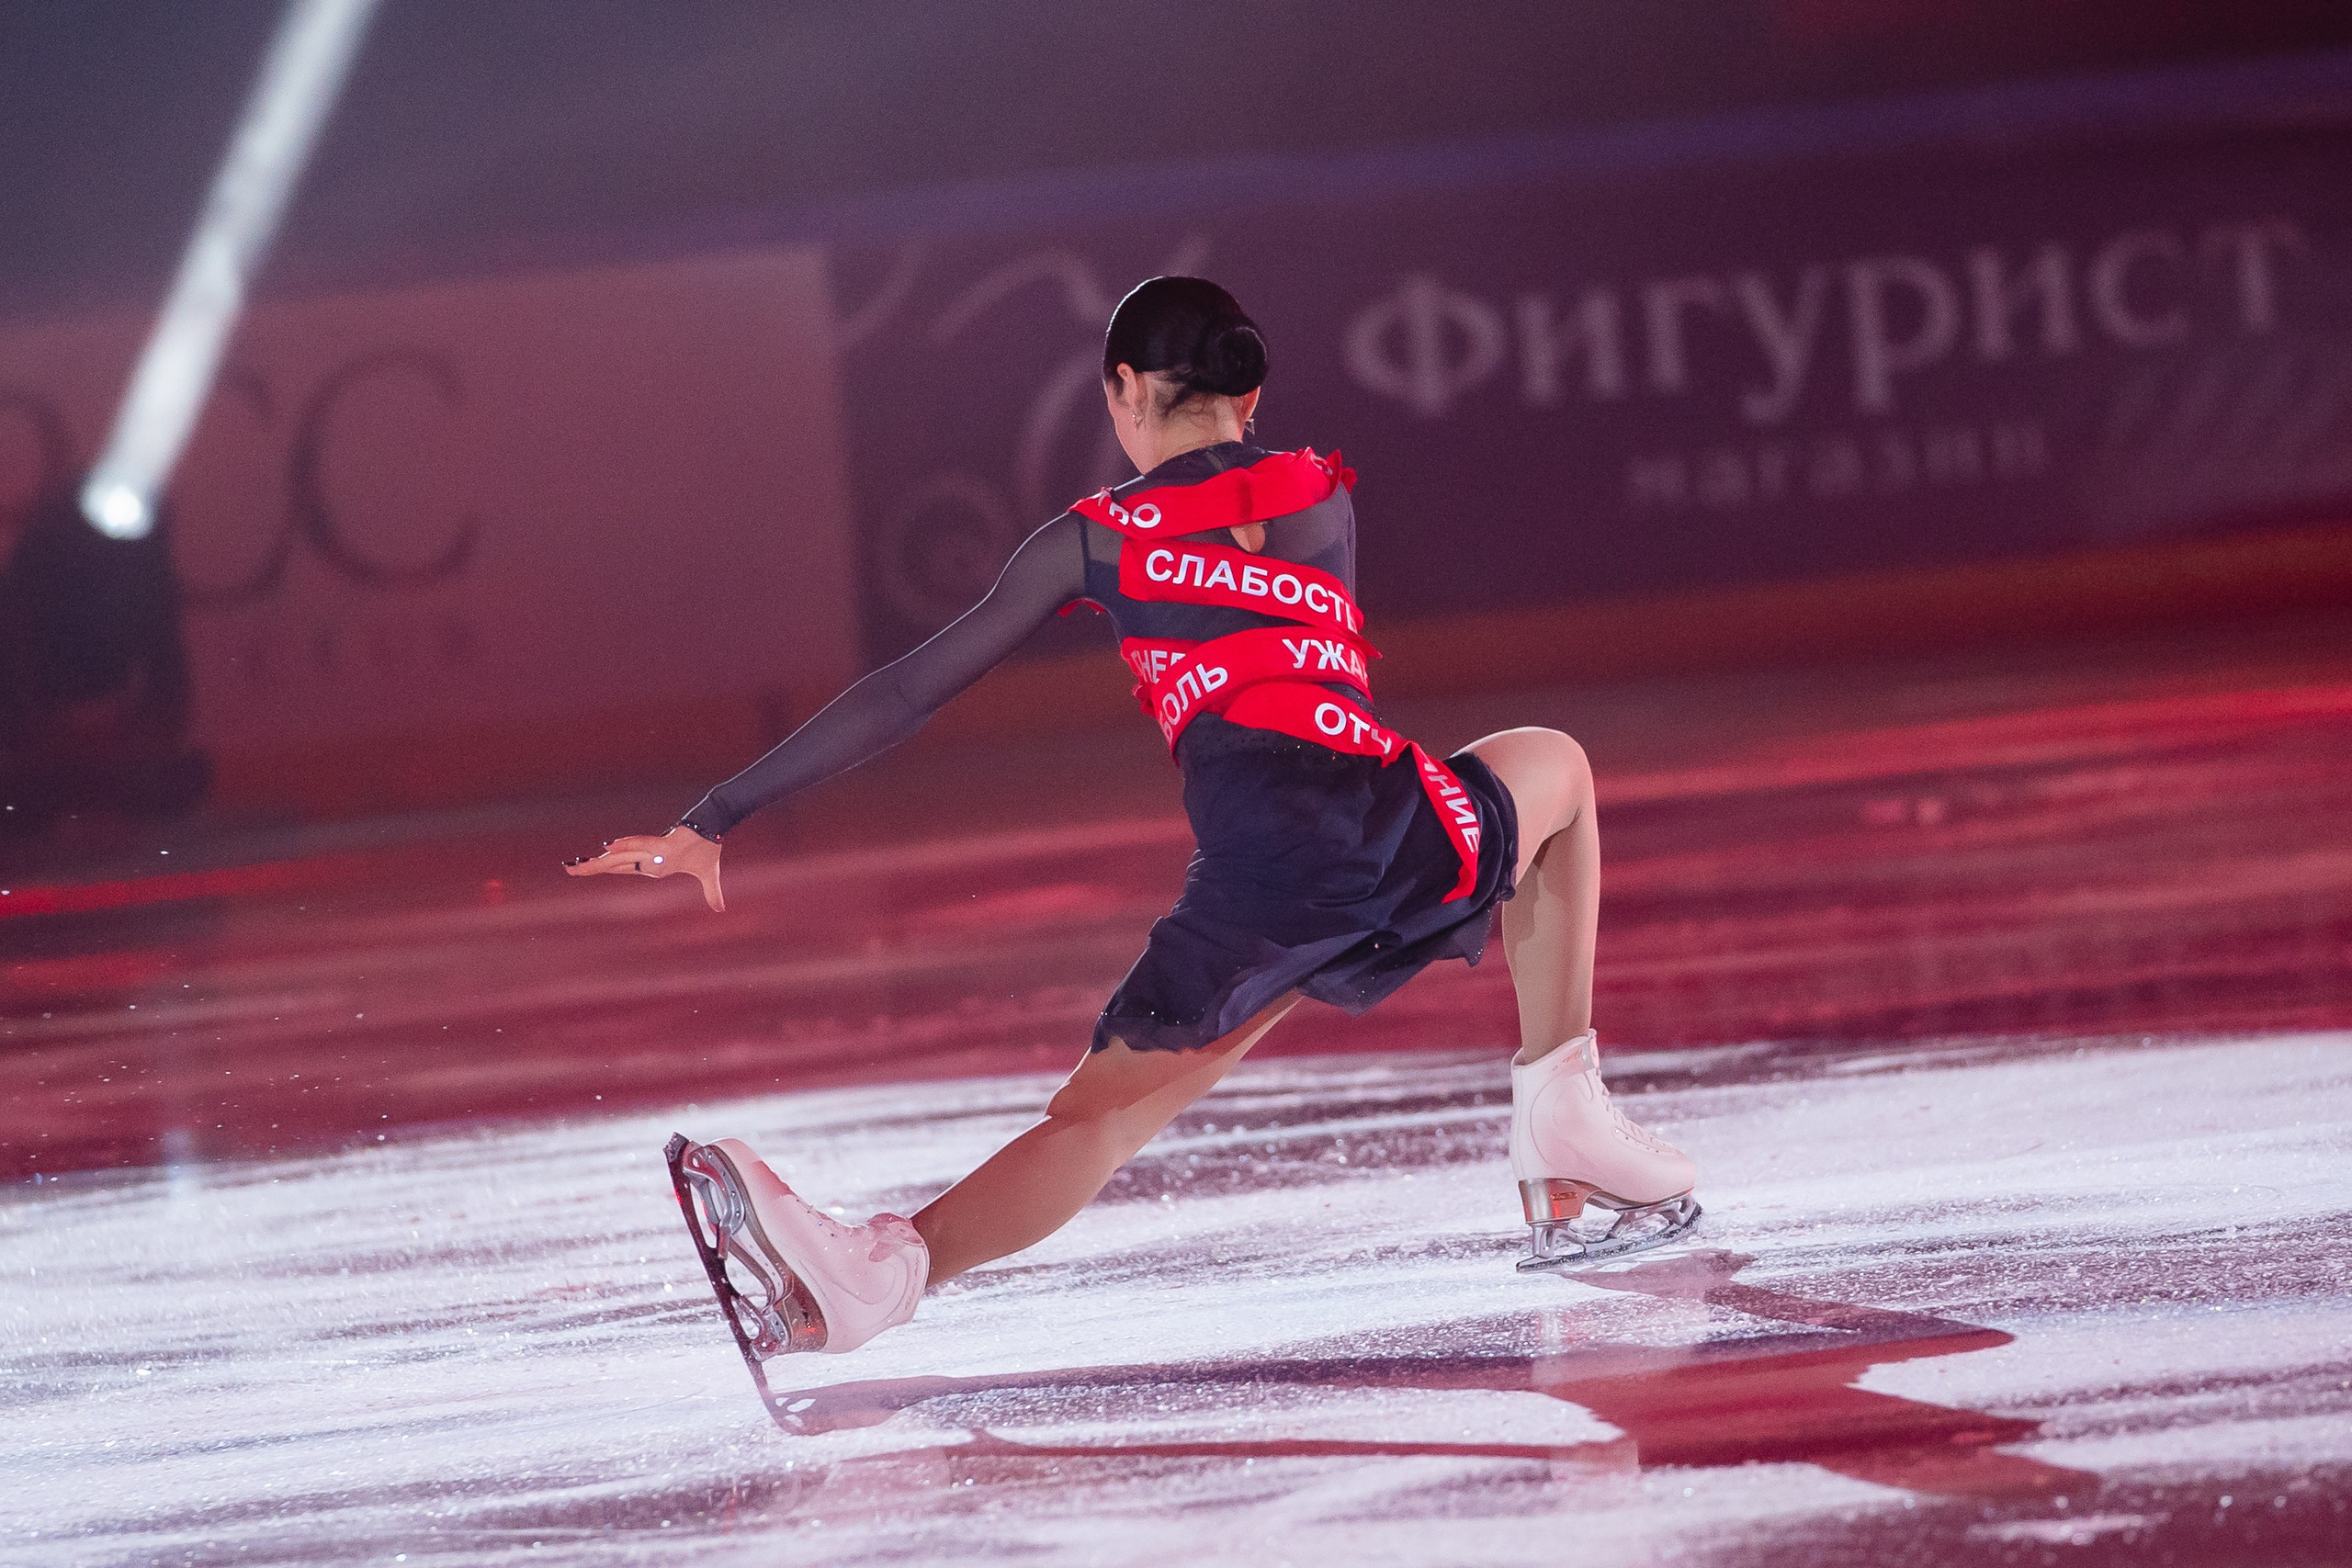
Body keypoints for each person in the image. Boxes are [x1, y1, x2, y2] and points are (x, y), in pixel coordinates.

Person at [567, 277, 1698, 1388]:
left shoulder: (1096, 538)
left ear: (1123, 389)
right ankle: (1562, 1118)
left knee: (1097, 1122)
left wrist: (714, 817)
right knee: (1552, 768)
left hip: (1269, 870)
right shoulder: (1318, 490)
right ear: (1243, 396)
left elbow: (907, 691)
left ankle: (882, 1275)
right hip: (1393, 824)